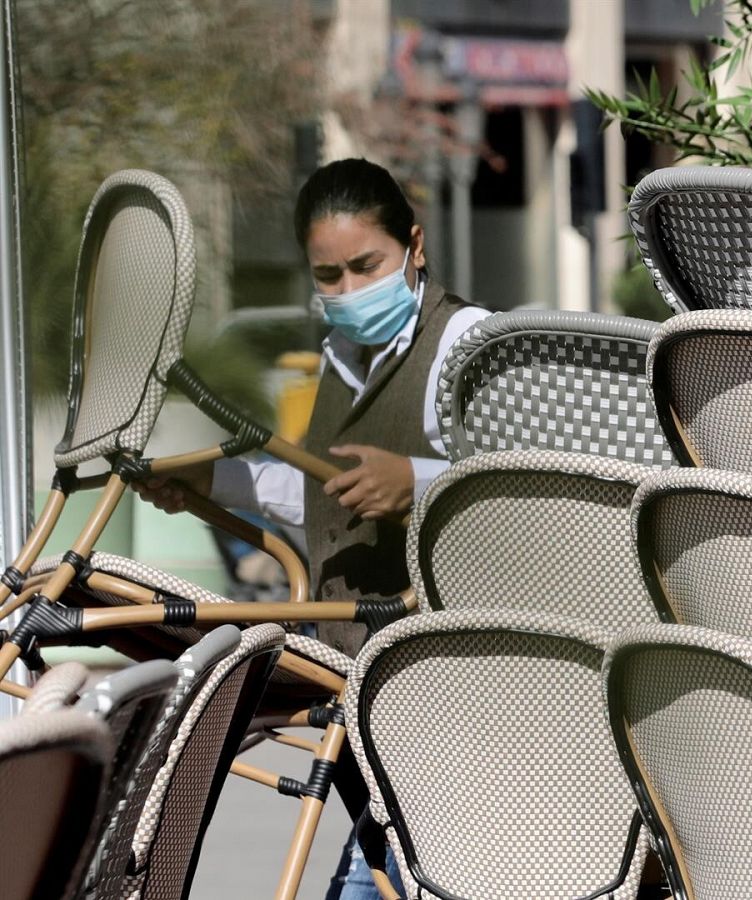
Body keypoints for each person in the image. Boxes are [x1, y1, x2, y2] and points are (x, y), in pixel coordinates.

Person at [136, 157, 489, 899]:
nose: (350, 292)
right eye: (330, 276)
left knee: (388, 875)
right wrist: (207, 481)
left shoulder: (466, 343)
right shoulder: (340, 355)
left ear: (415, 248)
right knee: (374, 869)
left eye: (367, 266)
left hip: (444, 689)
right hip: (362, 681)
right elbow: (316, 492)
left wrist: (418, 486)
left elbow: (517, 497)